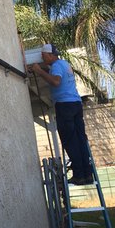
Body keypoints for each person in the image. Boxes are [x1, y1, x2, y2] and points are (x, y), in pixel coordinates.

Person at [29, 44, 93, 185]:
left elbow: (56, 82)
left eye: (43, 55)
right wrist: (44, 70)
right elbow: (59, 78)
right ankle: (88, 174)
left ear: (51, 55)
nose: (42, 57)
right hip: (76, 104)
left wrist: (39, 71)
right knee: (81, 139)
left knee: (70, 140)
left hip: (65, 106)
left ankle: (79, 176)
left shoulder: (56, 65)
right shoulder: (64, 64)